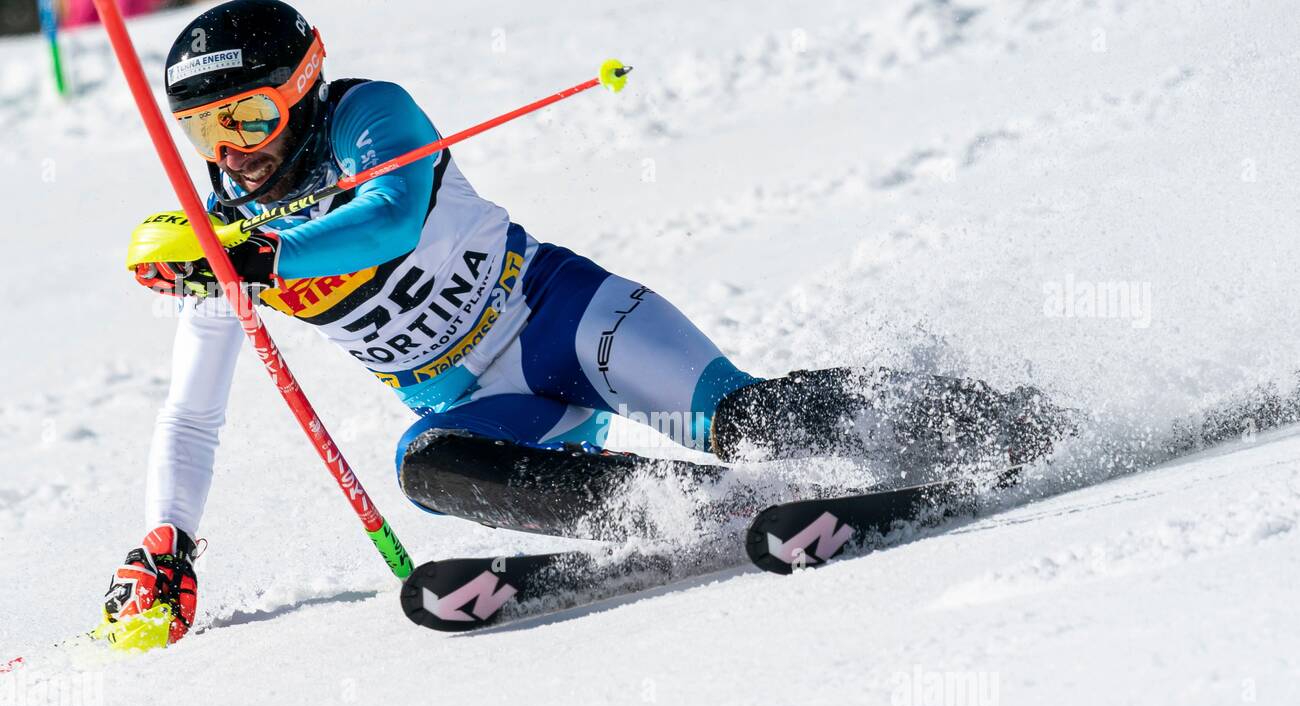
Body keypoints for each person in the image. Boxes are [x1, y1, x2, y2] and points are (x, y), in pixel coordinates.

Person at [97, 0, 1065, 649]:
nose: (233, 151)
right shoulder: (219, 231)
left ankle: (988, 418)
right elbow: (192, 414)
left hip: (569, 320)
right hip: (492, 404)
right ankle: (698, 507)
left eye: (251, 117)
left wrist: (254, 256)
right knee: (428, 467)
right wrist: (167, 542)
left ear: (304, 86)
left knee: (745, 417)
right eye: (205, 130)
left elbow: (389, 217)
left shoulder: (368, 115)